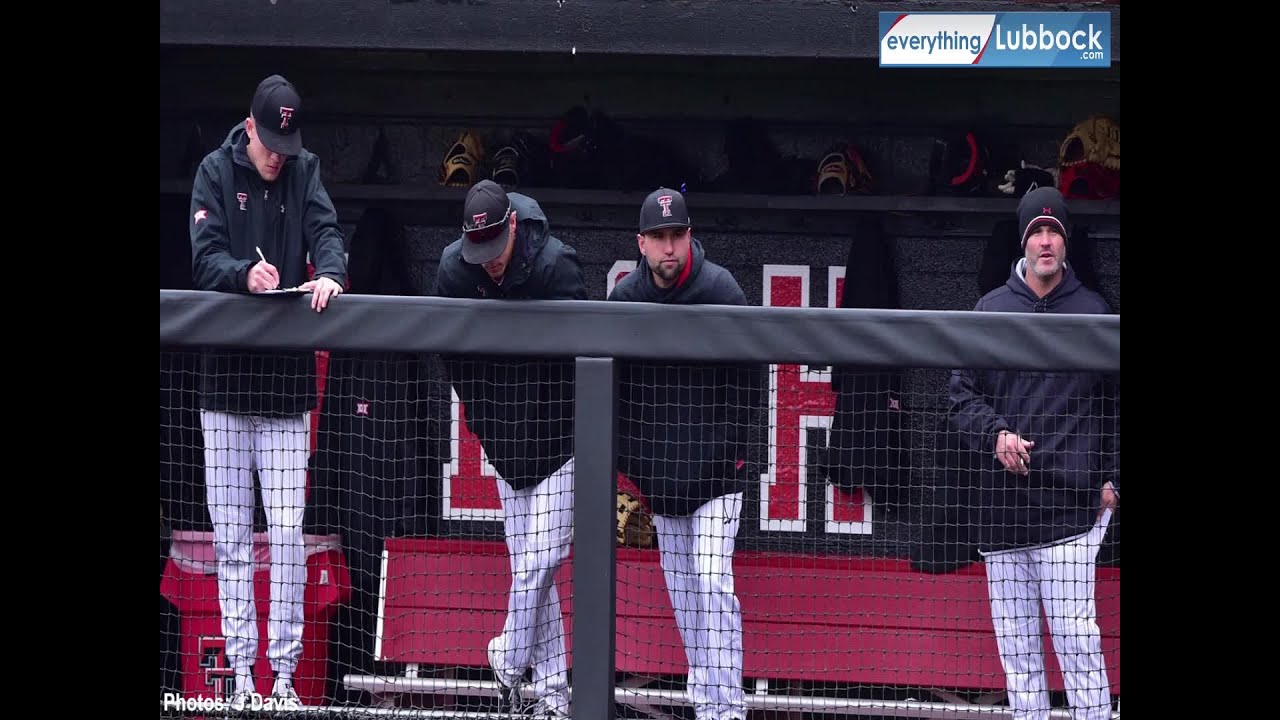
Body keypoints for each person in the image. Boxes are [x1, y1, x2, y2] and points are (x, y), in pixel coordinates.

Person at [188, 73, 347, 710]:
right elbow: (203, 258)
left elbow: (327, 231)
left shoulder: (304, 170)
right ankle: (239, 676)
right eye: (269, 139)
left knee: (285, 535)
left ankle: (282, 676)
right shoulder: (213, 171)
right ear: (249, 127)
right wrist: (242, 275)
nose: (278, 152)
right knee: (230, 539)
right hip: (223, 385)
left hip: (285, 388)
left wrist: (330, 271)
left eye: (287, 139)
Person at [948, 186, 1119, 720]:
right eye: (1036, 233)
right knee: (1020, 660)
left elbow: (1115, 406)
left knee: (1078, 648)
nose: (1046, 242)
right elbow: (959, 395)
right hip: (1002, 516)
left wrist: (1116, 477)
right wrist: (996, 435)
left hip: (1070, 512)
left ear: (1066, 243)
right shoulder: (990, 309)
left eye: (1054, 233)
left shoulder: (1093, 310)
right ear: (1023, 243)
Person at [607, 188, 764, 720]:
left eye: (677, 236)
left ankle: (728, 710)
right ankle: (707, 705)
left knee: (714, 583)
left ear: (689, 235)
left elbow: (749, 380)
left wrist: (733, 452)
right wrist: (635, 464)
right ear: (642, 243)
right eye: (659, 238)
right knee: (685, 598)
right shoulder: (626, 299)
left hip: (717, 476)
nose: (669, 248)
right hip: (663, 483)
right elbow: (614, 390)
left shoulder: (720, 288)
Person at [432, 179, 586, 718]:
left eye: (496, 250)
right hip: (504, 442)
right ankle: (551, 700)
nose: (489, 263)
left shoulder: (555, 267)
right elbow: (455, 359)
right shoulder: (456, 271)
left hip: (562, 442)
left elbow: (580, 364)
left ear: (513, 227)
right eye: (480, 252)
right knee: (531, 574)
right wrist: (484, 420)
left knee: (540, 561)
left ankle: (507, 654)